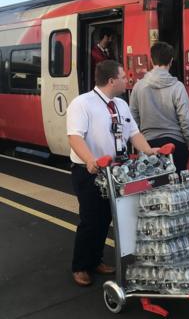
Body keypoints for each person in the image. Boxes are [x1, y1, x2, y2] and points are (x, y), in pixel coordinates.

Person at [67, 59, 159, 287]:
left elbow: (133, 132)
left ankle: (95, 260)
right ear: (111, 81)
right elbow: (75, 137)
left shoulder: (120, 104)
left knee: (108, 218)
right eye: (123, 77)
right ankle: (80, 266)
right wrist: (90, 160)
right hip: (89, 172)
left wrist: (149, 151)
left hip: (117, 172)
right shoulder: (82, 104)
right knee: (91, 220)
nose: (127, 80)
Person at [130, 41, 189, 173]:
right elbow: (185, 119)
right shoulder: (178, 87)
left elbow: (132, 119)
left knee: (153, 188)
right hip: (175, 144)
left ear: (151, 61)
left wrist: (140, 144)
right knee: (178, 187)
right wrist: (187, 143)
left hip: (148, 144)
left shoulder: (139, 86)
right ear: (171, 61)